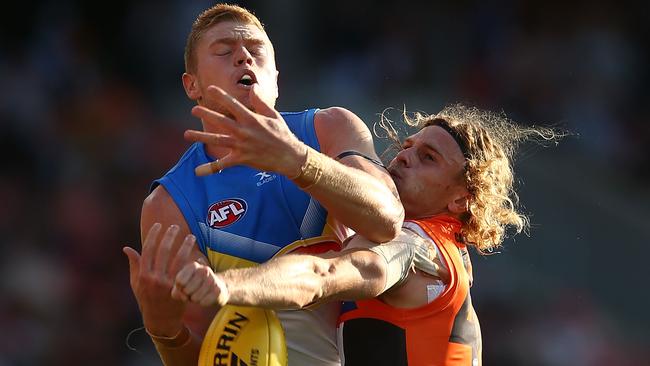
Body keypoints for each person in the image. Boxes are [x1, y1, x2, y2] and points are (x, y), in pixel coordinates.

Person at [167, 104, 560, 365]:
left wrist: (226, 286)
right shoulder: (439, 251)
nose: (404, 155)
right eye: (407, 146)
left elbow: (326, 276)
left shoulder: (419, 248)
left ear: (461, 198)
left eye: (428, 158)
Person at [123, 4, 403, 366]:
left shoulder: (330, 129)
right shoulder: (171, 203)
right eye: (224, 51)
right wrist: (165, 332)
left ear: (275, 76)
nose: (242, 56)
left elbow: (387, 218)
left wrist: (298, 161)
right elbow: (203, 354)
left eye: (256, 51)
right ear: (191, 85)